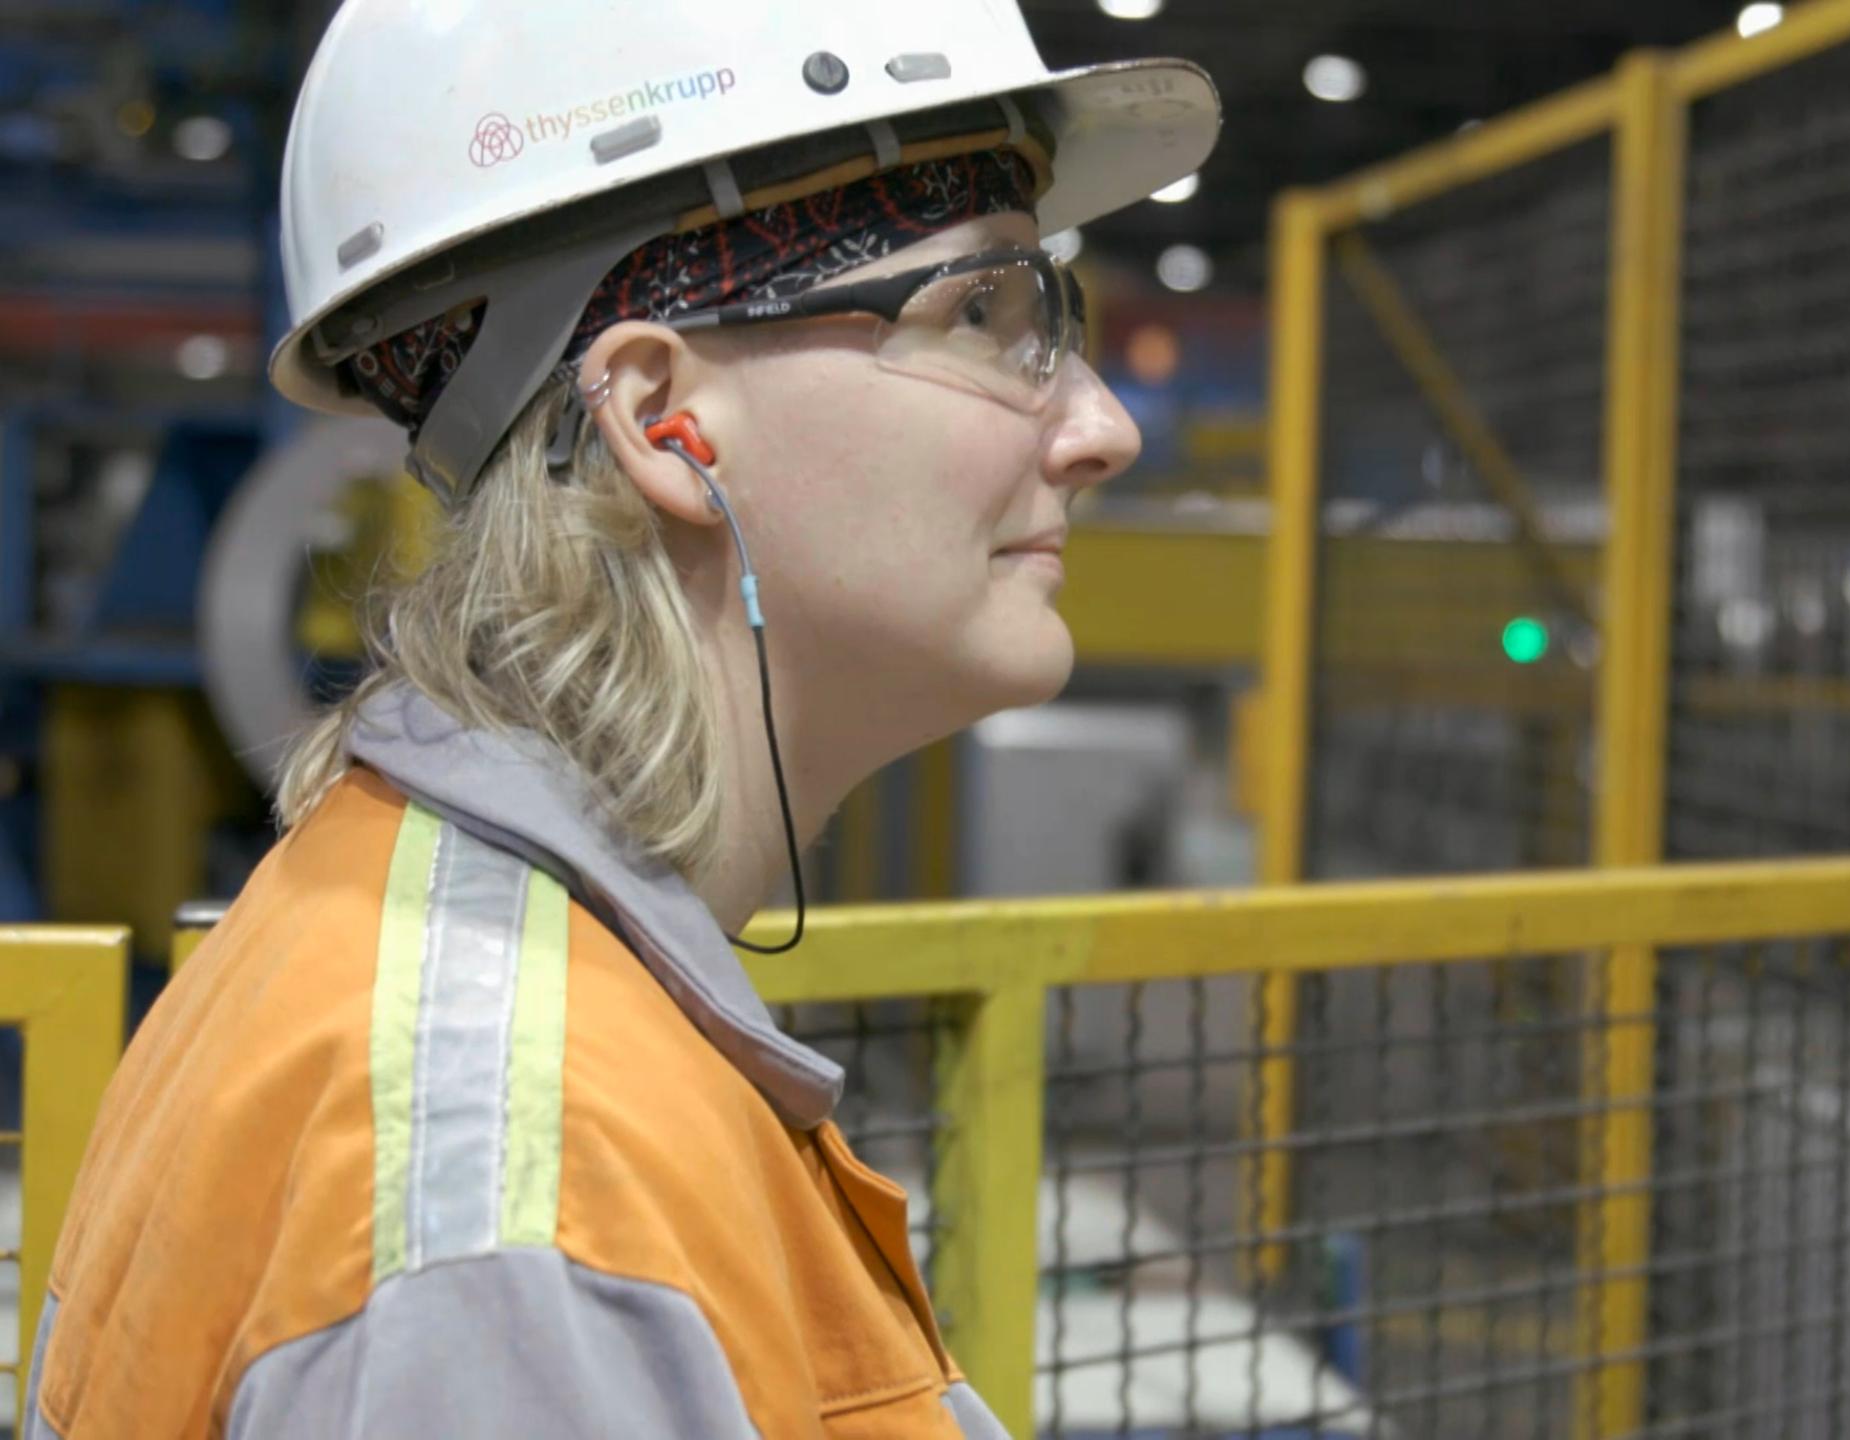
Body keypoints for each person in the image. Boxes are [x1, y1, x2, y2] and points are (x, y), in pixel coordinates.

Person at [26, 3, 1218, 1435]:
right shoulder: (517, 1222)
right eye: (984, 315)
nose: (1102, 429)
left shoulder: (467, 993)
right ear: (661, 421)